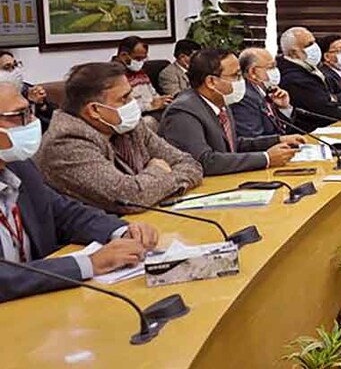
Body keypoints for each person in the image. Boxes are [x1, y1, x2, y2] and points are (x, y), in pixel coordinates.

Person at [0, 80, 159, 303]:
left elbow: (65, 213)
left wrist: (122, 231)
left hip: (37, 307)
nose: (33, 121)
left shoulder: (19, 166)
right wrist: (89, 264)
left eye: (31, 111)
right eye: (20, 115)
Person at [34, 63, 203, 214]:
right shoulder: (67, 142)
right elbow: (130, 198)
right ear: (94, 110)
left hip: (148, 221)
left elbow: (190, 164)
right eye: (124, 98)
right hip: (94, 240)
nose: (133, 103)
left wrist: (155, 185)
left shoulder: (129, 126)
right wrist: (158, 170)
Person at [160, 49, 302, 176]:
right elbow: (203, 161)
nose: (242, 81)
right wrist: (266, 158)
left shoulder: (221, 102)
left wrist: (278, 140)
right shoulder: (183, 111)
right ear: (211, 82)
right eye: (236, 75)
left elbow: (232, 145)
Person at [278, 26, 341, 130]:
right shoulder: (295, 78)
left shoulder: (308, 69)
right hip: (313, 134)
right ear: (293, 53)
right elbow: (326, 112)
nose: (315, 48)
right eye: (309, 45)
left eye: (314, 42)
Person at [232, 48, 295, 139]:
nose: (275, 71)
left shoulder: (264, 91)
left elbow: (282, 130)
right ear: (252, 72)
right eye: (271, 67)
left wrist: (284, 108)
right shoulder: (245, 97)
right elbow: (253, 140)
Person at [112, 36, 172, 114]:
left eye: (143, 59)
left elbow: (153, 94)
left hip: (153, 112)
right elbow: (122, 109)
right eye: (138, 59)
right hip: (137, 118)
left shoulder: (140, 73)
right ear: (123, 55)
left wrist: (162, 100)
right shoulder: (112, 77)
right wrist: (150, 106)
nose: (141, 62)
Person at [0, 51, 55, 131]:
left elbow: (50, 124)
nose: (15, 71)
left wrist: (40, 104)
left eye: (15, 65)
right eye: (7, 67)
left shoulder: (28, 90)